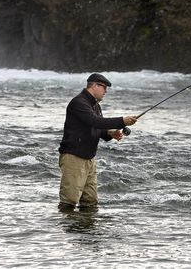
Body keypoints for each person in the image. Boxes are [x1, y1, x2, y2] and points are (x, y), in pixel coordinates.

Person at [58, 73, 138, 211]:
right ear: (94, 85)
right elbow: (94, 121)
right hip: (74, 158)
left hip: (89, 159)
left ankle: (87, 231)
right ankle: (65, 231)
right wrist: (122, 121)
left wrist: (109, 133)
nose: (106, 91)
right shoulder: (79, 102)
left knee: (90, 202)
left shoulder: (95, 106)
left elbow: (95, 127)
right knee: (69, 202)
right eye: (104, 88)